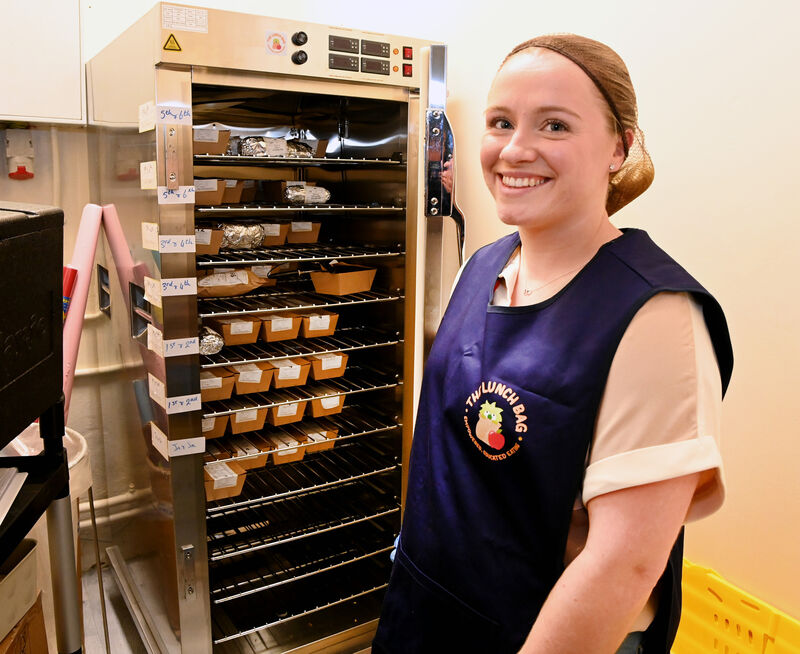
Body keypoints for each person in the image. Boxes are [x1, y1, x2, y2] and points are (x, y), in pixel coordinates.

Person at [373, 34, 733, 654]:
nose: (516, 149)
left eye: (555, 125)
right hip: (429, 609)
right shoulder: (481, 266)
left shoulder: (655, 315)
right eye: (500, 122)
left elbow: (622, 568)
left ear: (619, 148)